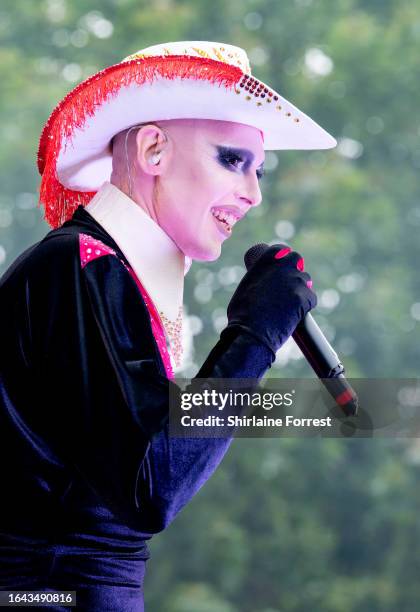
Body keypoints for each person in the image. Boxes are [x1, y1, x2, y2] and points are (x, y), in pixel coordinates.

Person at [0, 41, 335, 610]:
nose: (253, 194)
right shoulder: (82, 266)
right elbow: (152, 486)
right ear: (153, 149)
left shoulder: (106, 273)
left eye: (259, 169)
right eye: (233, 160)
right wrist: (254, 334)